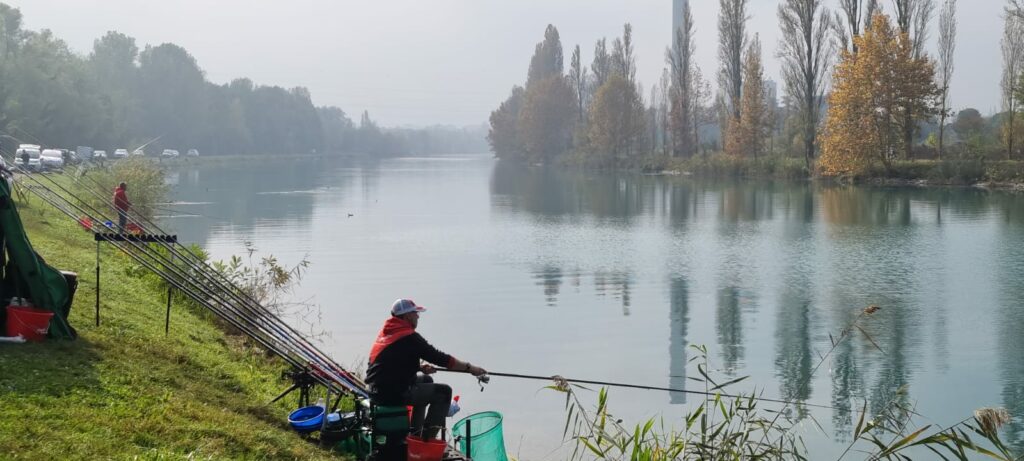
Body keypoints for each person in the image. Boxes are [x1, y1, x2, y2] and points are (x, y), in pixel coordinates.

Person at [366, 298, 487, 440]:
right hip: (391, 394)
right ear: (407, 316)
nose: (418, 316)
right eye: (415, 313)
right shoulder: (410, 337)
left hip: (376, 390)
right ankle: (426, 441)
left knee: (427, 380)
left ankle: (415, 434)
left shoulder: (387, 332)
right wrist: (470, 368)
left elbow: (391, 362)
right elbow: (441, 358)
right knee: (444, 392)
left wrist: (418, 367)